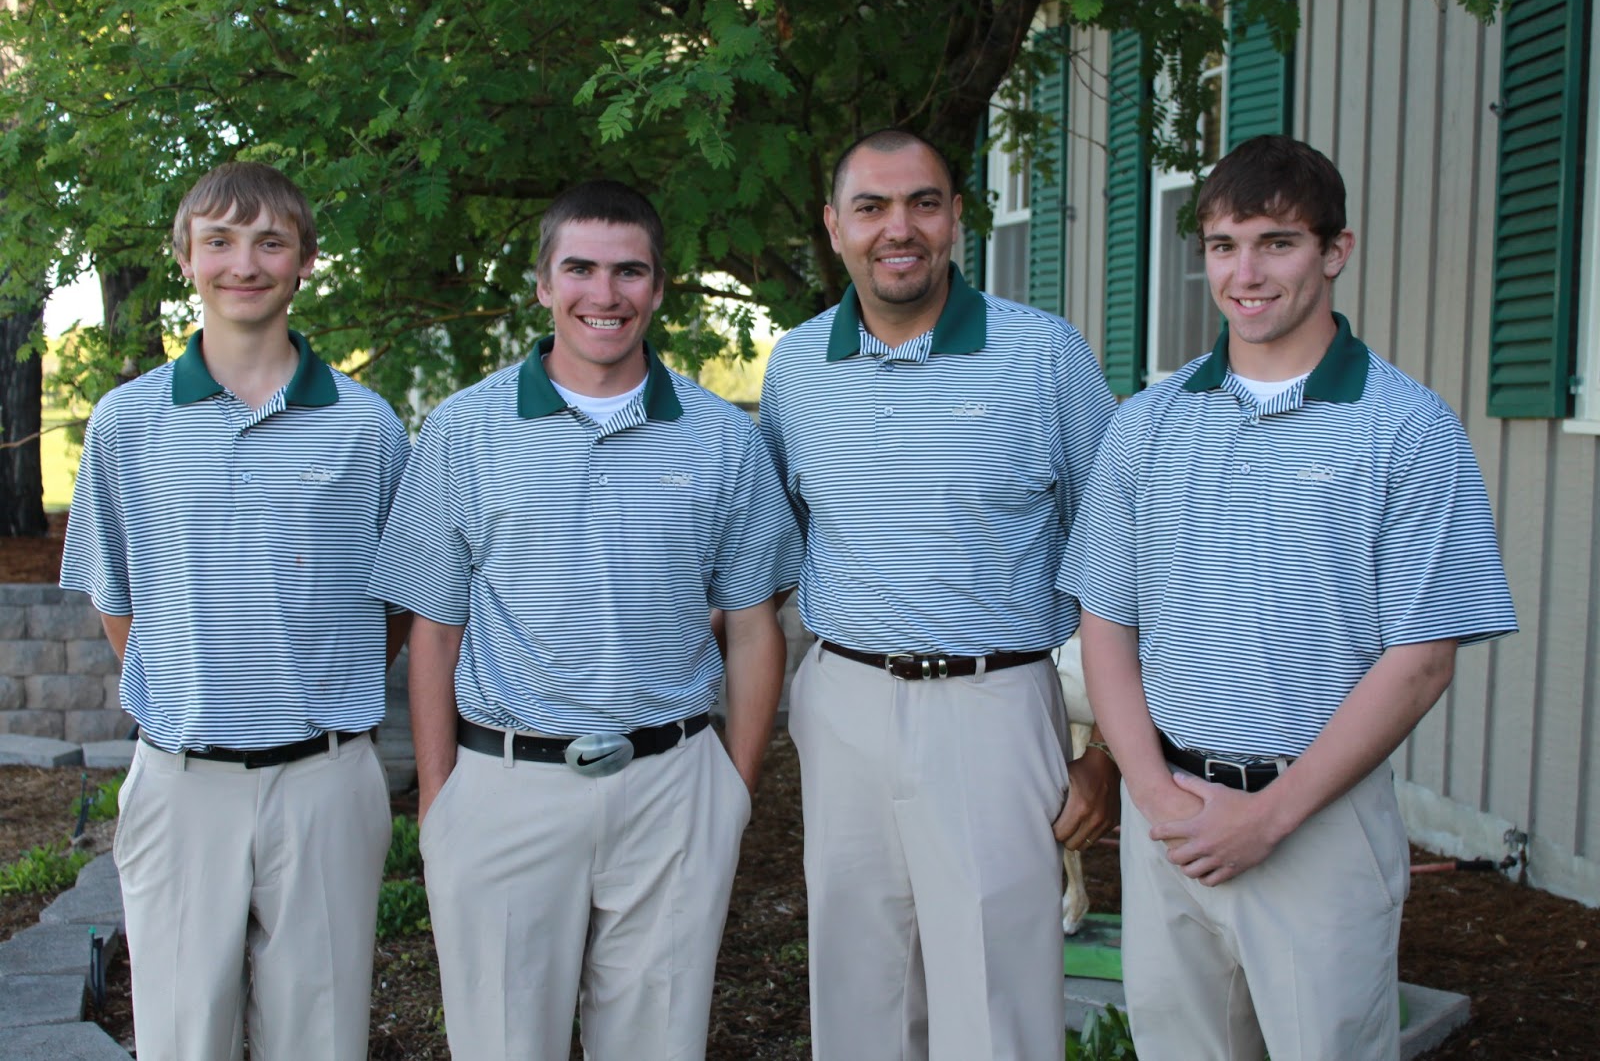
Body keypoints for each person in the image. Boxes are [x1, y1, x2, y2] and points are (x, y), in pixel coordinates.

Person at [1062, 134, 1519, 1061]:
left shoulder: (1405, 428)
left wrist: (1268, 818)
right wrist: (1154, 793)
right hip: (1173, 820)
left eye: (1277, 242)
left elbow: (1422, 659)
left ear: (1334, 251)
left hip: (1316, 826)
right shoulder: (1147, 423)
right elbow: (1105, 618)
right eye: (1224, 246)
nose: (1246, 273)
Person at [367, 179, 801, 1061]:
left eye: (629, 271)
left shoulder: (723, 438)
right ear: (541, 282)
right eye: (581, 269)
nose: (605, 295)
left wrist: (733, 791)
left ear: (659, 285)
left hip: (674, 789)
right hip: (504, 787)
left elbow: (756, 627)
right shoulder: (462, 431)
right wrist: (441, 798)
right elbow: (434, 631)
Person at [757, 127, 1121, 1061]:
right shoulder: (797, 368)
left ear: (959, 216)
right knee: (857, 986)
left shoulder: (1045, 356)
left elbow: (1124, 563)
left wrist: (1110, 753)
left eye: (923, 202)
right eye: (871, 207)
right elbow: (780, 545)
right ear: (835, 226)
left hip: (994, 704)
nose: (899, 228)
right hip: (843, 700)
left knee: (997, 1002)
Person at [58, 161, 411, 1060]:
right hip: (182, 784)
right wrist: (191, 691)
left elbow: (397, 604)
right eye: (218, 240)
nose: (243, 262)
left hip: (325, 781)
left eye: (269, 242)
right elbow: (119, 602)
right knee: (182, 1037)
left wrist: (316, 680)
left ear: (305, 262)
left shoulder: (368, 426)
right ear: (185, 258)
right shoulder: (126, 422)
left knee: (323, 1038)